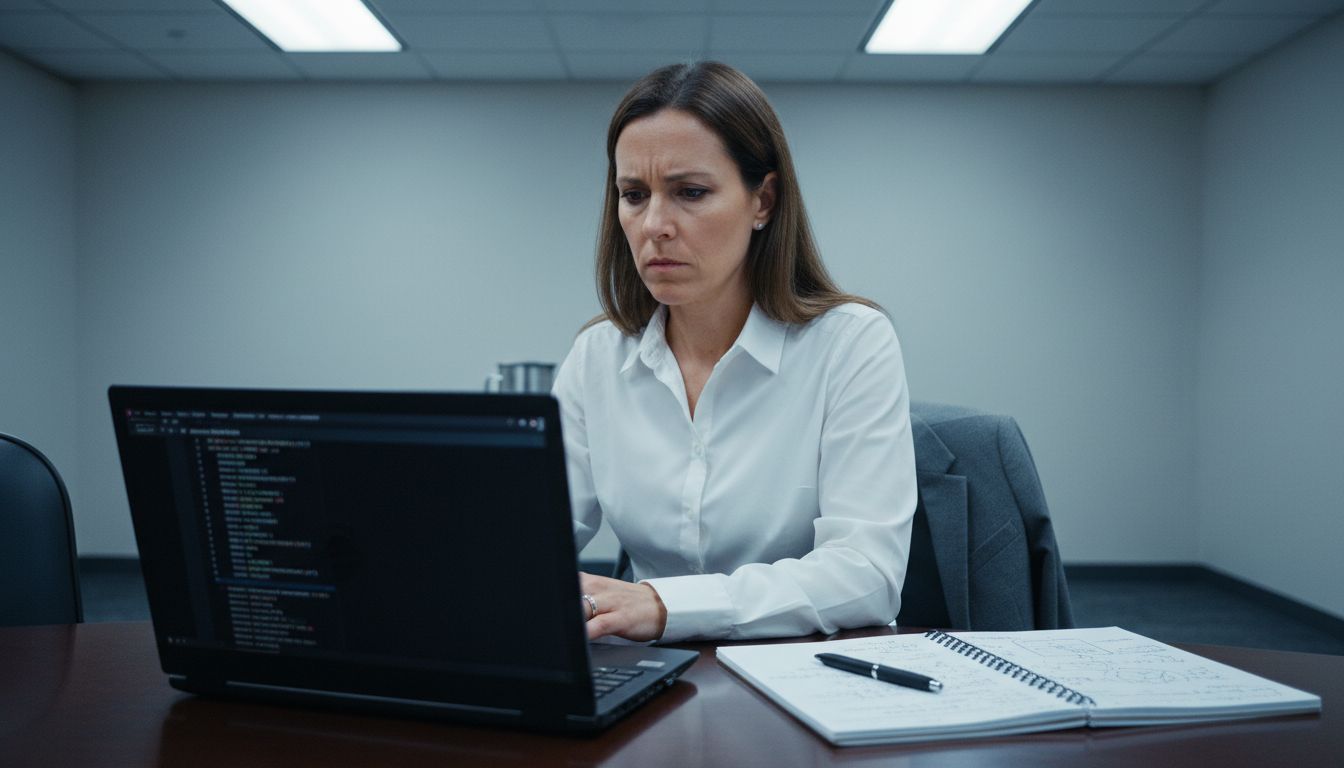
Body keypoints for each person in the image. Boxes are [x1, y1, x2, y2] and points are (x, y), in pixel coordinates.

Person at [552, 61, 917, 644]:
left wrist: (665, 604)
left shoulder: (851, 342)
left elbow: (866, 574)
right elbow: (531, 542)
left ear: (763, 201)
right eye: (633, 195)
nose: (654, 225)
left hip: (809, 671)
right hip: (650, 672)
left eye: (690, 192)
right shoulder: (597, 355)